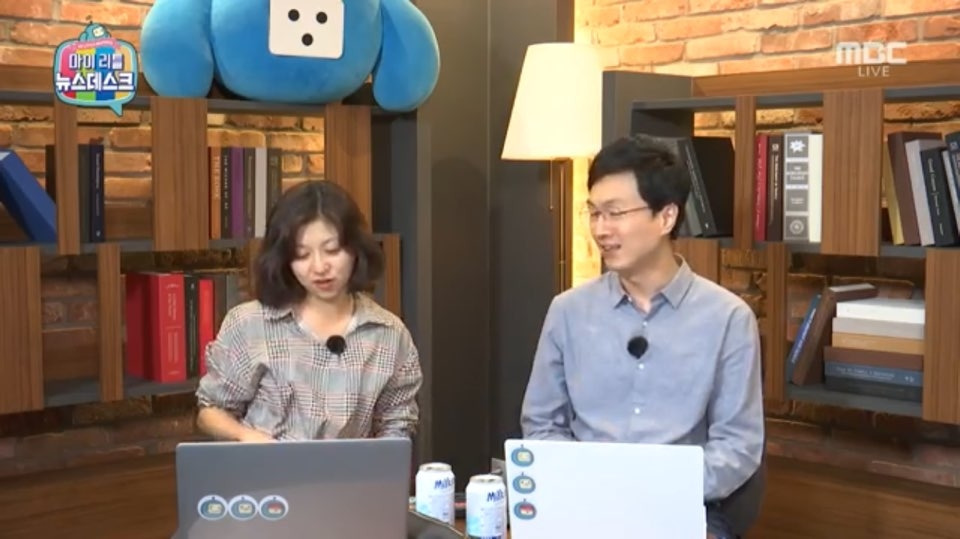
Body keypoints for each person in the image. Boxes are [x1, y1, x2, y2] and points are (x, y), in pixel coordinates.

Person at [519, 135, 764, 538]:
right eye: (594, 213)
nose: (601, 229)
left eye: (615, 213)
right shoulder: (568, 311)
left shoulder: (727, 319)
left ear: (666, 217)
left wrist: (652, 494)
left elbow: (737, 446)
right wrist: (584, 489)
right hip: (583, 507)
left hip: (683, 511)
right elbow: (542, 423)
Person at [195, 179, 423, 442]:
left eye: (332, 250)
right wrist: (245, 436)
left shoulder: (390, 334)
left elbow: (398, 426)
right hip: (266, 467)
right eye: (302, 255)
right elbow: (210, 411)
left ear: (356, 249)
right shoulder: (249, 323)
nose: (319, 267)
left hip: (351, 470)